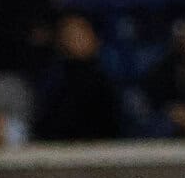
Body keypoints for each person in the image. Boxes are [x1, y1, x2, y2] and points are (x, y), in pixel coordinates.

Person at [33, 14, 126, 143]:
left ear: (95, 37)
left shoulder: (106, 80)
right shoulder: (53, 81)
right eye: (69, 33)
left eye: (80, 31)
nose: (76, 38)